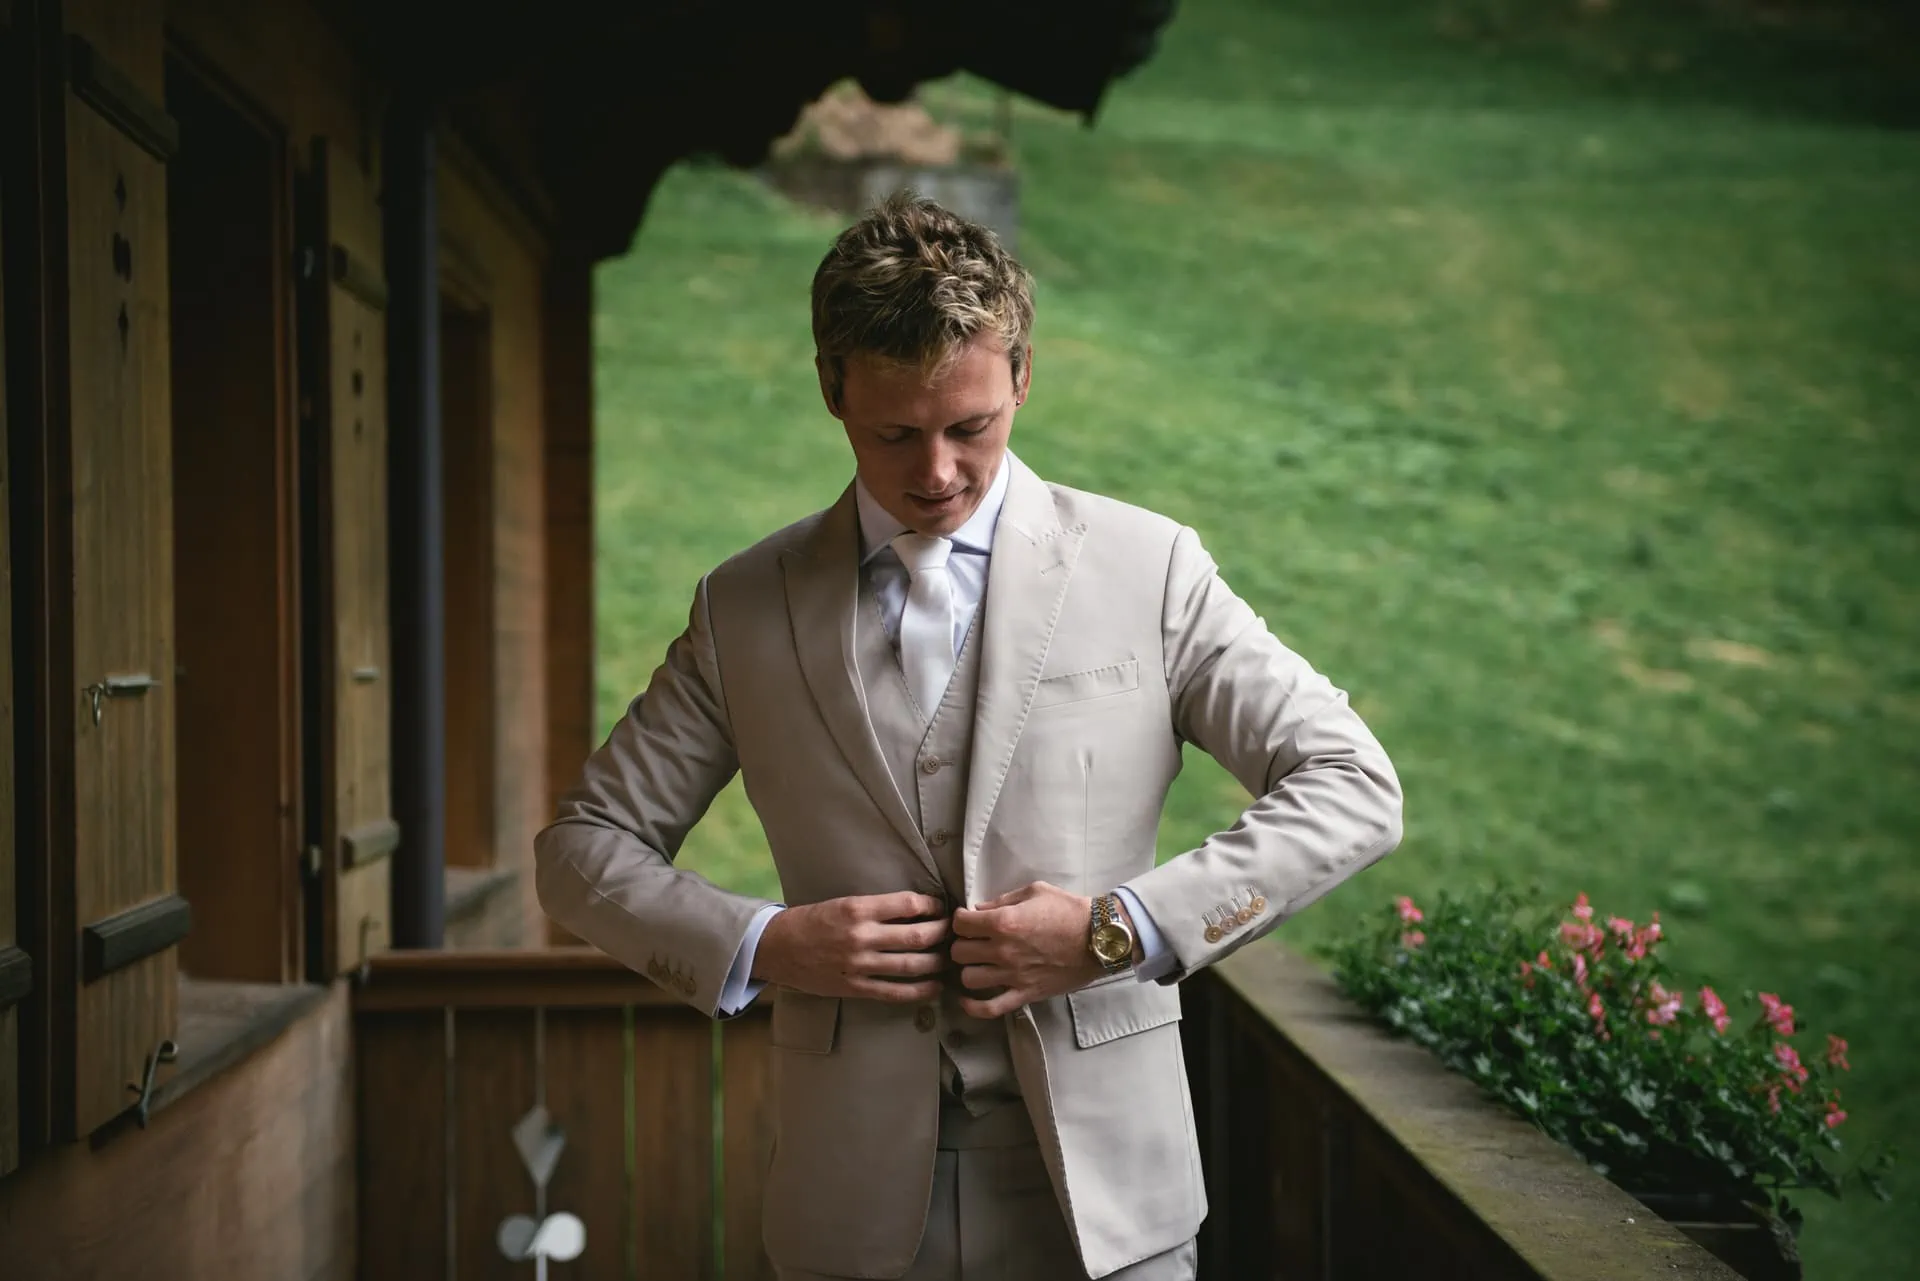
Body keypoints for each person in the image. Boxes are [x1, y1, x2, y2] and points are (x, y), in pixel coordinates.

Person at [535, 192, 1402, 1281]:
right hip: (846, 1208)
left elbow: (1352, 785)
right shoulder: (743, 605)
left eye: (971, 427)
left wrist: (1118, 927)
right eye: (895, 433)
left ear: (1023, 377)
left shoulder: (1151, 568)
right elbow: (580, 852)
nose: (937, 472)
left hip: (1111, 1210)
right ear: (831, 390)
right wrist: (768, 945)